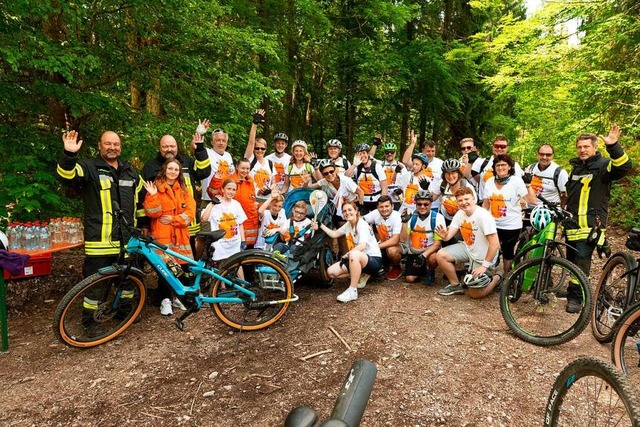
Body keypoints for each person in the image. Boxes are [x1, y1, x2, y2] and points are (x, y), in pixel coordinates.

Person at [56, 130, 142, 336]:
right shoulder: (89, 168)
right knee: (96, 285)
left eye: (116, 144)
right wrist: (69, 155)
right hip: (100, 240)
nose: (112, 147)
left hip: (128, 240)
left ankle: (124, 311)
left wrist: (143, 226)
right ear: (99, 145)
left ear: (120, 147)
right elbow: (66, 176)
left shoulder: (130, 172)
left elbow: (141, 203)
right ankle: (90, 322)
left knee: (129, 279)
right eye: (108, 144)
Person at [564, 125, 632, 313]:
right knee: (571, 262)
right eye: (579, 147)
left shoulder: (603, 166)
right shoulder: (576, 167)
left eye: (586, 146)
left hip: (590, 228)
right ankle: (574, 290)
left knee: (581, 262)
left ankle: (576, 299)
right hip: (572, 226)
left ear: (595, 148)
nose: (582, 150)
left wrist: (614, 146)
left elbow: (624, 167)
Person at [139, 133, 211, 253]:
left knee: (187, 258)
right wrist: (144, 225)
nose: (169, 149)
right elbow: (142, 198)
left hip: (188, 225)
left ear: (177, 147)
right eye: (165, 146)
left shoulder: (187, 161)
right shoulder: (150, 167)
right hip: (162, 228)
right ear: (159, 148)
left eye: (172, 146)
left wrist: (200, 149)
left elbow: (204, 171)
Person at [143, 159, 196, 315]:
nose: (173, 172)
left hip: (181, 237)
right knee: (165, 270)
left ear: (179, 172)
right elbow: (152, 213)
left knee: (183, 268)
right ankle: (165, 300)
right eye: (170, 169)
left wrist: (173, 219)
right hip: (163, 236)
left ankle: (179, 297)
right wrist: (153, 196)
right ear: (164, 170)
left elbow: (190, 215)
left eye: (176, 169)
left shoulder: (184, 191)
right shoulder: (156, 188)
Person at [434, 187, 502, 298]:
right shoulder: (460, 214)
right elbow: (448, 236)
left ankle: (497, 276)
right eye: (460, 200)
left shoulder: (483, 216)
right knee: (441, 255)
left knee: (474, 294)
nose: (464, 203)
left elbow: (495, 244)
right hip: (469, 249)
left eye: (466, 199)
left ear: (473, 198)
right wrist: (444, 236)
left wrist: (484, 266)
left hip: (483, 257)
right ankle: (455, 284)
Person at [311, 200, 383, 303]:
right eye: (344, 211)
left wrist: (348, 254)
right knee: (331, 273)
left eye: (350, 210)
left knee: (354, 253)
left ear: (356, 210)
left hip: (373, 260)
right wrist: (320, 225)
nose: (347, 213)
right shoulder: (348, 224)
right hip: (357, 258)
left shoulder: (361, 224)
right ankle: (360, 272)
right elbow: (334, 234)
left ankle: (352, 290)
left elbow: (362, 245)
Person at [482, 154, 537, 274]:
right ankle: (489, 274)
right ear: (494, 167)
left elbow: (532, 201)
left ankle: (506, 277)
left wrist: (528, 184)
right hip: (493, 223)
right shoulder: (490, 181)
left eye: (503, 165)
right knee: (491, 248)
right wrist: (480, 217)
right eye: (498, 165)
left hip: (511, 224)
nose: (501, 167)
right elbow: (486, 204)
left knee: (507, 251)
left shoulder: (516, 182)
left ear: (510, 167)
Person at [208, 158, 259, 248]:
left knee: (249, 254)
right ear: (237, 167)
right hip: (232, 223)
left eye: (247, 169)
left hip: (250, 223)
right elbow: (213, 194)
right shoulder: (228, 180)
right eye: (243, 168)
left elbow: (252, 201)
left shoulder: (250, 182)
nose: (245, 171)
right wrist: (216, 180)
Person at [401, 191, 446, 285]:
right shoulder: (411, 217)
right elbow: (403, 239)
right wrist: (404, 222)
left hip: (429, 251)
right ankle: (422, 269)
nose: (422, 207)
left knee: (433, 258)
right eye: (419, 204)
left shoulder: (438, 218)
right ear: (415, 204)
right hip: (414, 251)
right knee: (410, 279)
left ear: (431, 204)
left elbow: (437, 243)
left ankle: (431, 271)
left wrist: (423, 256)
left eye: (426, 204)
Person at [200, 179, 247, 264]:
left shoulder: (236, 204)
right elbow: (204, 219)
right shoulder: (216, 204)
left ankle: (242, 278)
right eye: (228, 189)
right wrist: (212, 204)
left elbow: (240, 224)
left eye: (234, 190)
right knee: (219, 268)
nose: (231, 192)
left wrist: (243, 241)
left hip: (234, 243)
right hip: (220, 244)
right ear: (222, 189)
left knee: (236, 265)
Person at [470, 135, 523, 201]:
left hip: (506, 204)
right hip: (484, 203)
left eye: (503, 147)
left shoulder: (514, 165)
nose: (499, 149)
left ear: (507, 148)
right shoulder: (482, 162)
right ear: (493, 147)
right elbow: (468, 177)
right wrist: (470, 162)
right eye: (497, 146)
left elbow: (519, 187)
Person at [364, 196, 403, 280]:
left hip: (400, 245)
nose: (384, 209)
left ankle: (396, 267)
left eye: (387, 206)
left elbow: (395, 240)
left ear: (392, 206)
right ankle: (383, 266)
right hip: (382, 243)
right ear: (377, 207)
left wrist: (374, 247)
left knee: (392, 250)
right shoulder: (375, 213)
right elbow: (361, 221)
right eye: (381, 207)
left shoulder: (397, 217)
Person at [402, 130, 443, 210]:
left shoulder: (440, 163)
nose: (430, 153)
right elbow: (405, 160)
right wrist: (413, 143)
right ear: (423, 150)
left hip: (433, 203)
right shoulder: (418, 162)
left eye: (433, 151)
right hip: (417, 203)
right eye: (428, 151)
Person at [346, 142, 388, 215]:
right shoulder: (357, 168)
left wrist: (382, 202)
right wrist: (354, 165)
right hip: (362, 201)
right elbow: (346, 177)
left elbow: (384, 187)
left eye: (364, 153)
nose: (362, 156)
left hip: (376, 200)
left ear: (368, 154)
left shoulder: (377, 167)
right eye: (360, 154)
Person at [432, 158, 477, 224]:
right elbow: (432, 198)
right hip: (445, 219)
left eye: (453, 173)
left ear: (459, 173)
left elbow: (473, 208)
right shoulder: (442, 184)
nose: (450, 176)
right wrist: (425, 189)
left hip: (462, 220)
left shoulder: (467, 187)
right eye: (447, 173)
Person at [244, 109, 276, 200]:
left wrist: (270, 189)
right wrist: (254, 124)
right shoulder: (250, 159)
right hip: (252, 197)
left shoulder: (270, 163)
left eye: (262, 148)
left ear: (266, 149)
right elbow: (251, 142)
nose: (260, 150)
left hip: (266, 199)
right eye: (257, 148)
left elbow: (273, 182)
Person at [255, 186, 287, 250]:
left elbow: (284, 229)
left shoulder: (282, 212)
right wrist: (271, 197)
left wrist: (275, 230)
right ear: (271, 204)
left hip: (274, 245)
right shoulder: (266, 213)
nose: (277, 209)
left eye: (279, 206)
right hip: (261, 245)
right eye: (275, 205)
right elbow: (260, 211)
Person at [376, 142, 406, 210]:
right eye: (387, 152)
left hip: (397, 195)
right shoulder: (380, 165)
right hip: (384, 193)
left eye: (392, 152)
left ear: (395, 153)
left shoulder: (401, 165)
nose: (389, 154)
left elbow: (405, 181)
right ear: (384, 153)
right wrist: (375, 144)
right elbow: (370, 157)